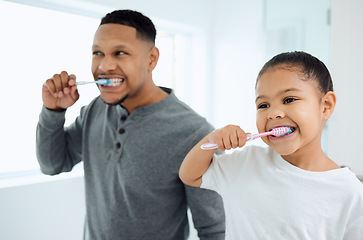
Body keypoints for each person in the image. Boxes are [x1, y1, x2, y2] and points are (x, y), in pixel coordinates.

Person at [36, 9, 225, 240]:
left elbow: (214, 229)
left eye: (120, 52)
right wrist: (53, 111)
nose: (105, 66)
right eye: (98, 52)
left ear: (151, 59)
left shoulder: (195, 134)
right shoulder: (95, 109)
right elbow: (52, 164)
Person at [179, 51, 363, 239]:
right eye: (263, 105)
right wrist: (212, 140)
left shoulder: (350, 192)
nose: (273, 113)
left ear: (325, 106)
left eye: (289, 100)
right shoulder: (245, 163)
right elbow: (190, 176)